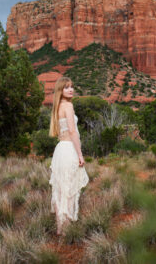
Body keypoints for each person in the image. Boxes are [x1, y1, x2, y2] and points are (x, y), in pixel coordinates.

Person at [49, 76, 89, 235]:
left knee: (60, 189)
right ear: (60, 90)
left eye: (72, 86)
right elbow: (73, 132)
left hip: (59, 151)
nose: (71, 89)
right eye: (66, 87)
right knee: (69, 188)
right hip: (69, 150)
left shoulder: (57, 107)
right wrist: (80, 154)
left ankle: (60, 227)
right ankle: (66, 228)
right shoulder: (68, 106)